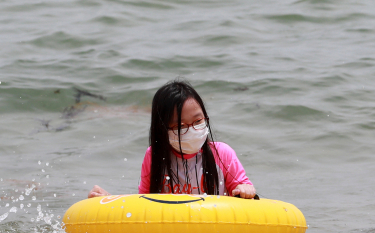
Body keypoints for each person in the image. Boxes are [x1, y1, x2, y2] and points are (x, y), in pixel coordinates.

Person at [89, 79, 256, 199]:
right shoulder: (154, 156)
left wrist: (245, 189)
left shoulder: (221, 153)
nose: (192, 129)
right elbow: (143, 201)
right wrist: (109, 199)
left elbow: (242, 187)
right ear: (163, 129)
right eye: (181, 127)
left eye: (198, 121)